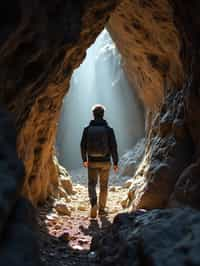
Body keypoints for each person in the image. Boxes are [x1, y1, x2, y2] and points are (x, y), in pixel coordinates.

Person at [80, 104, 119, 218]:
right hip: (106, 161)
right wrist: (115, 162)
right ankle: (102, 210)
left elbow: (82, 145)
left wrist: (84, 159)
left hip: (92, 161)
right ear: (103, 115)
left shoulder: (87, 129)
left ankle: (93, 204)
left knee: (92, 184)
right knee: (104, 185)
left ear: (93, 115)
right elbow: (113, 147)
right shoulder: (109, 130)